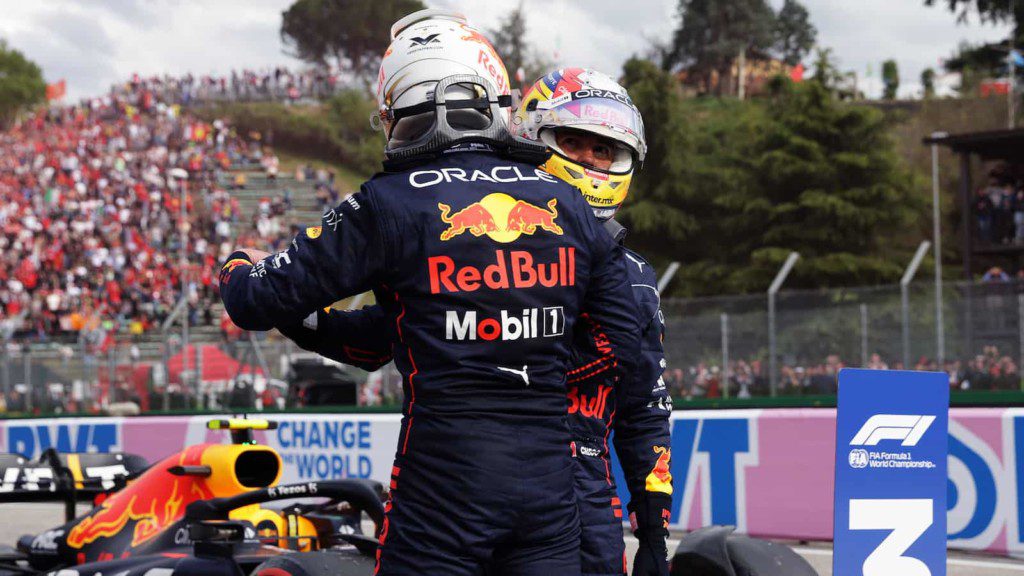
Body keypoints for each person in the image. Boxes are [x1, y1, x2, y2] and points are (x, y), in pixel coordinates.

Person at [218, 11, 641, 576]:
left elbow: (257, 300)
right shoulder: (567, 204)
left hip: (441, 490)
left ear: (406, 107)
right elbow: (622, 343)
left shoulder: (388, 202)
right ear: (492, 98)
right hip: (549, 492)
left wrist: (235, 266)